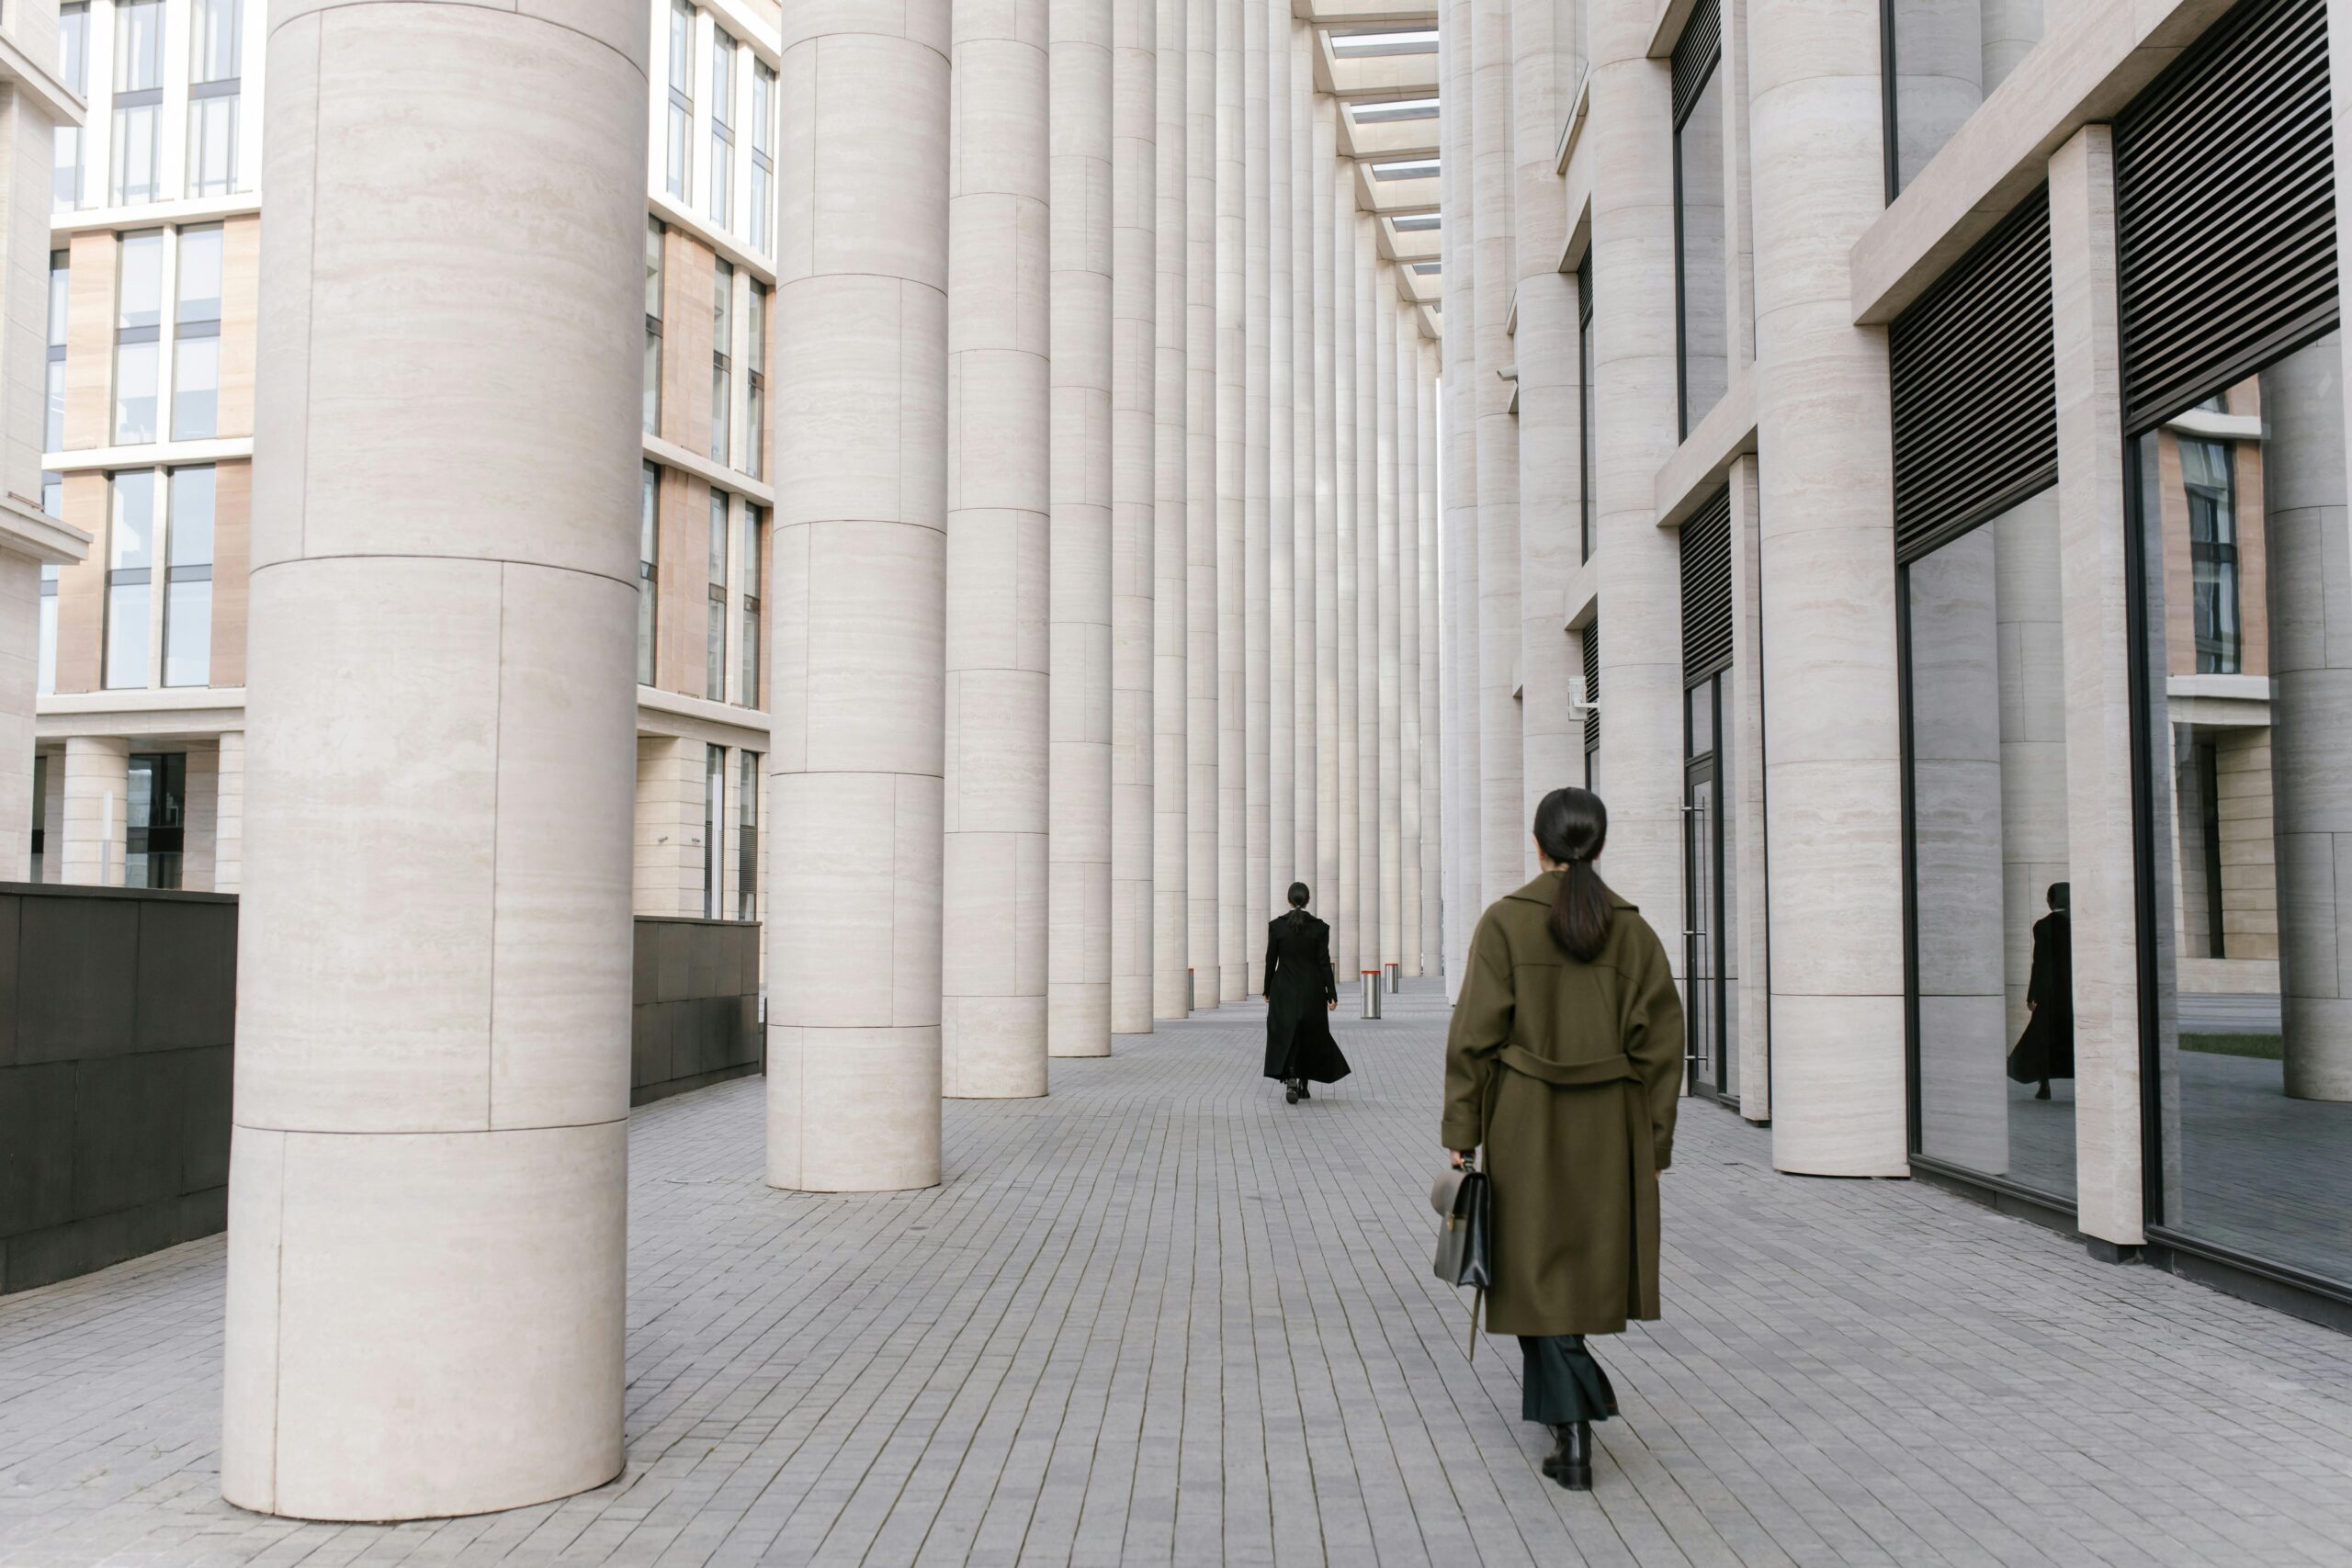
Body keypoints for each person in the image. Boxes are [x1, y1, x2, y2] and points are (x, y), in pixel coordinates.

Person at [1442, 787, 1683, 1492]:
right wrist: (1654, 1141)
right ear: (1597, 845)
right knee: (1573, 1266)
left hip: (1525, 1116)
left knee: (1530, 1267)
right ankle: (1568, 1426)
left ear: (1539, 844)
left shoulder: (1506, 925)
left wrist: (1463, 1130)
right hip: (1610, 1121)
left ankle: (1576, 1420)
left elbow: (1474, 1039)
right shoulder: (1632, 932)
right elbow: (1663, 1046)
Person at [1263, 882, 1347, 1104]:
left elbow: (1270, 961)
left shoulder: (1277, 927)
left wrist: (1267, 989)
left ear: (1288, 900)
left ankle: (1290, 1077)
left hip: (1284, 989)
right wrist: (1332, 994)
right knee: (1309, 1033)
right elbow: (1324, 963)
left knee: (1286, 1032)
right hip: (1312, 989)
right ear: (1308, 900)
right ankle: (1304, 1084)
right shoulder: (1320, 928)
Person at [2007, 882, 2075, 1100]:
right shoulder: (2080, 924)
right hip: (2074, 991)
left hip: (2049, 992)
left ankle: (2044, 1084)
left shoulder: (2043, 926)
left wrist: (2032, 995)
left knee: (2044, 1037)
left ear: (2050, 901)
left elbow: (2040, 963)